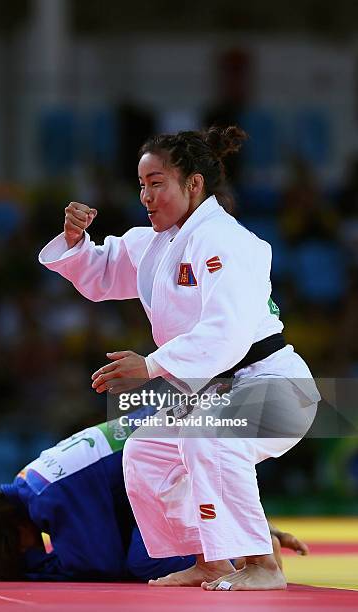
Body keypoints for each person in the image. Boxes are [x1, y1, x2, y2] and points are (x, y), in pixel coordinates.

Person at [38, 125, 320, 591]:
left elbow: (225, 333)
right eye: (142, 185)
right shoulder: (154, 243)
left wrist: (149, 365)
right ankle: (210, 560)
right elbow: (103, 273)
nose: (146, 197)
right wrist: (75, 241)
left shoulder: (228, 242)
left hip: (275, 387)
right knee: (146, 452)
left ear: (193, 184)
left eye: (157, 184)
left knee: (206, 437)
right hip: (219, 392)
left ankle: (263, 566)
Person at [0, 415, 307, 582]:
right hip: (175, 449)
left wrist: (31, 569)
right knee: (140, 537)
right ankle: (247, 535)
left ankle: (243, 551)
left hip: (176, 452)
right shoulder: (32, 483)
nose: (16, 557)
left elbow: (100, 564)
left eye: (4, 554)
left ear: (9, 535)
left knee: (144, 560)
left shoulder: (48, 499)